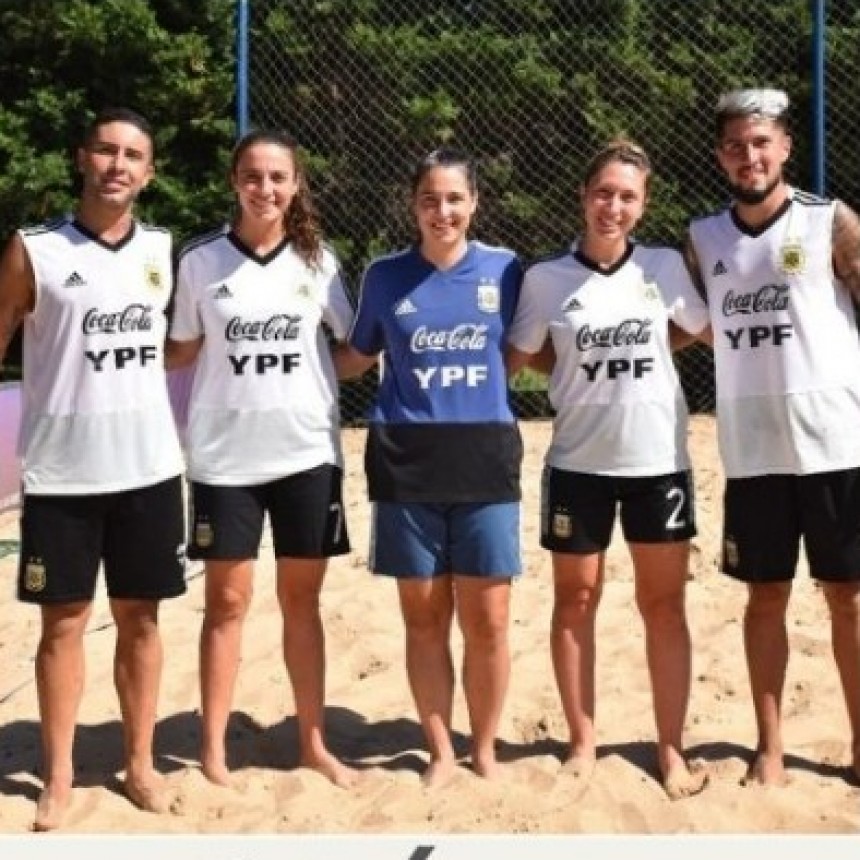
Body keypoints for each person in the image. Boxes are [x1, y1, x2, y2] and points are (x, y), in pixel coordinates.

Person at [506, 138, 711, 799]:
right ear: (583, 196)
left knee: (663, 605)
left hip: (658, 461)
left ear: (643, 204)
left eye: (627, 196)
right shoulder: (545, 279)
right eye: (603, 192)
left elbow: (693, 332)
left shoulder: (662, 268)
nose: (612, 206)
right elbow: (530, 355)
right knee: (576, 600)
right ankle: (582, 742)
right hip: (578, 464)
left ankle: (672, 749)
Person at [0, 107, 187, 830]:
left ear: (149, 171)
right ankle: (58, 777)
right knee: (63, 627)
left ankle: (139, 764)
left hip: (147, 469)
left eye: (132, 155)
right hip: (62, 476)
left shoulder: (164, 250)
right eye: (106, 151)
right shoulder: (33, 250)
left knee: (141, 620)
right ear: (83, 158)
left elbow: (179, 347)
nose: (118, 164)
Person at [165, 128, 356, 788]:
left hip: (307, 453)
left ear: (296, 183)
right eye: (252, 176)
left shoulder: (320, 262)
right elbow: (180, 352)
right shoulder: (199, 263)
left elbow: (353, 349)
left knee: (301, 603)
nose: (265, 188)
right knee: (226, 603)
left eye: (278, 177)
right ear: (233, 181)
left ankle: (312, 743)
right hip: (224, 460)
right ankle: (213, 751)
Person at [684, 88, 860, 786]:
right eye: (735, 145)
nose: (749, 156)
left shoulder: (832, 223)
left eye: (762, 142)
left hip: (835, 441)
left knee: (845, 595)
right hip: (753, 449)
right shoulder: (703, 239)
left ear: (785, 146)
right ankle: (771, 746)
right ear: (721, 156)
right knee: (764, 596)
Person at [334, 147, 523, 785]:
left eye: (453, 199)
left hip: (485, 456)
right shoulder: (385, 277)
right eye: (428, 199)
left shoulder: (506, 270)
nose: (441, 211)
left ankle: (486, 747)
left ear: (474, 203)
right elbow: (354, 357)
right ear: (412, 205)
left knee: (489, 619)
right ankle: (441, 751)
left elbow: (522, 353)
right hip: (406, 459)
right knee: (424, 616)